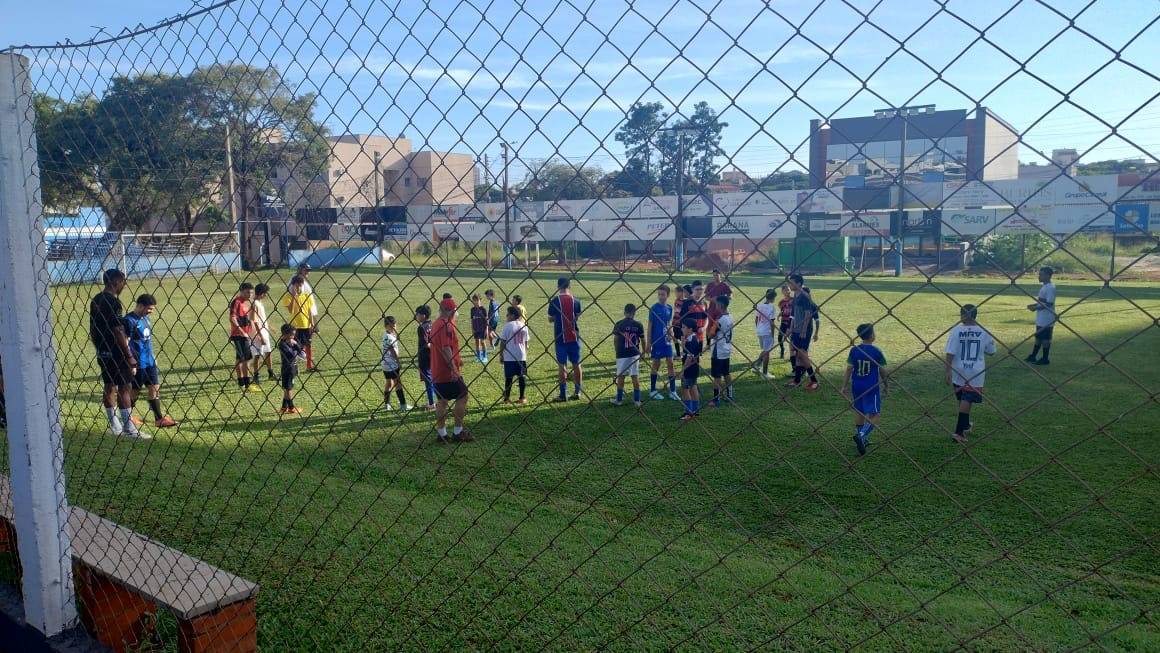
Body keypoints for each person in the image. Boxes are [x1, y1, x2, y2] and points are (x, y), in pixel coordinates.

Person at [90, 269, 147, 438]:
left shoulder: (96, 299)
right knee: (125, 387)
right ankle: (129, 428)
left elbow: (93, 328)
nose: (124, 285)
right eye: (123, 282)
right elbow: (117, 330)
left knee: (109, 385)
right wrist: (128, 354)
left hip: (102, 349)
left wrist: (99, 346)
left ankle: (115, 426)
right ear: (116, 282)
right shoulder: (113, 302)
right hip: (116, 350)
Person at [123, 294, 178, 429]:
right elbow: (125, 343)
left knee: (154, 387)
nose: (151, 312)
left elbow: (146, 340)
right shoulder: (129, 321)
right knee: (135, 391)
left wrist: (152, 356)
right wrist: (130, 362)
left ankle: (159, 419)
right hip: (138, 363)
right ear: (140, 305)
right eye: (149, 309)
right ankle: (127, 418)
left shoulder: (145, 318)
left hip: (149, 361)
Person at [945, 304, 997, 444]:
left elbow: (950, 352)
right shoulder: (984, 331)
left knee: (963, 397)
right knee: (967, 399)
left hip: (958, 369)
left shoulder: (956, 330)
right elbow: (992, 351)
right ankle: (959, 432)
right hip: (975, 371)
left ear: (962, 315)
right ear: (975, 316)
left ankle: (966, 425)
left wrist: (947, 370)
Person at [430, 297, 472, 443]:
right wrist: (454, 368)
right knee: (463, 396)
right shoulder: (446, 325)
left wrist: (458, 359)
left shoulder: (436, 323)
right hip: (447, 371)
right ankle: (458, 432)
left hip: (436, 370)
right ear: (452, 311)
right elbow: (446, 348)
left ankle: (441, 434)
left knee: (442, 401)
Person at [843, 323, 887, 456]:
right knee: (875, 415)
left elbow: (849, 368)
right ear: (872, 335)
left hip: (857, 385)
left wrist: (844, 385)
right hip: (871, 387)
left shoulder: (854, 350)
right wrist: (886, 384)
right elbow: (882, 370)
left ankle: (862, 439)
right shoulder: (877, 352)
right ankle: (862, 435)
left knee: (859, 411)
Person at [547, 277, 582, 402]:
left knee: (562, 366)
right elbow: (577, 316)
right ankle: (578, 392)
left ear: (558, 286)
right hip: (574, 336)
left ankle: (563, 394)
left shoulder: (554, 301)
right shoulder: (576, 301)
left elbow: (550, 318)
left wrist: (557, 318)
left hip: (560, 337)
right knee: (577, 364)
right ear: (569, 286)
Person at [646, 284, 680, 401]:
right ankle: (652, 390)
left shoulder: (669, 308)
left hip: (667, 341)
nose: (661, 297)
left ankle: (673, 391)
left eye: (663, 294)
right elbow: (650, 327)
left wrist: (672, 334)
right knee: (656, 364)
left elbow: (668, 324)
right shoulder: (654, 309)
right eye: (659, 294)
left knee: (670, 363)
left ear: (668, 295)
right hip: (657, 341)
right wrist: (648, 343)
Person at [786, 274, 820, 391]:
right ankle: (797, 380)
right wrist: (790, 329)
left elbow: (807, 314)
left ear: (799, 283)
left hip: (804, 330)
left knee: (802, 354)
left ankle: (814, 380)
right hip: (796, 330)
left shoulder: (804, 296)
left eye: (791, 283)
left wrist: (804, 330)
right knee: (797, 354)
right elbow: (793, 314)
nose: (789, 285)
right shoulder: (795, 295)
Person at [611, 303, 645, 407]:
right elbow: (643, 340)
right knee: (635, 376)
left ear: (624, 312)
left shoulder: (619, 324)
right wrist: (643, 352)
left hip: (622, 353)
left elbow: (616, 339)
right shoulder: (638, 325)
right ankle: (637, 400)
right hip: (634, 353)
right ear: (634, 313)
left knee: (621, 377)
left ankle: (619, 399)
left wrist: (617, 350)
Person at [282, 275, 315, 383]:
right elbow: (290, 310)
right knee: (295, 348)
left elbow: (310, 311)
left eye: (301, 285)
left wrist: (312, 324)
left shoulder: (307, 296)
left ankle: (309, 366)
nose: (299, 287)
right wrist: (294, 297)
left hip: (306, 325)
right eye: (297, 285)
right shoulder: (288, 296)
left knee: (308, 345)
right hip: (295, 326)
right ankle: (295, 367)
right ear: (293, 285)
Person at [289, 263, 320, 371]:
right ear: (300, 270)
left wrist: (312, 320)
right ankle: (300, 353)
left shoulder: (304, 281)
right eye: (306, 270)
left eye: (309, 270)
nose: (308, 272)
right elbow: (292, 294)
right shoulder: (295, 280)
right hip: (300, 317)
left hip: (309, 312)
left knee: (310, 337)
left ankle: (306, 358)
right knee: (297, 341)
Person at [497, 305, 530, 404]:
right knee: (522, 377)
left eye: (508, 314)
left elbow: (503, 342)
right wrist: (524, 353)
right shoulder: (524, 325)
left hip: (509, 356)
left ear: (512, 315)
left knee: (509, 378)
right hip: (521, 356)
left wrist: (501, 354)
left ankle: (506, 398)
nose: (506, 316)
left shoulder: (508, 326)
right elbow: (526, 343)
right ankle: (522, 397)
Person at [229, 282, 257, 393]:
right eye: (247, 292)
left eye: (251, 293)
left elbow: (245, 318)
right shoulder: (236, 302)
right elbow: (232, 318)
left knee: (240, 359)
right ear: (241, 291)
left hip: (243, 335)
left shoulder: (245, 302)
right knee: (246, 359)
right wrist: (242, 332)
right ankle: (246, 384)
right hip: (239, 335)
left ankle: (241, 383)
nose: (249, 295)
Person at [1025, 266, 1056, 366]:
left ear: (1048, 276)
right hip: (1041, 317)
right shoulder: (1044, 286)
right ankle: (1033, 356)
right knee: (1038, 337)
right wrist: (1034, 305)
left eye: (1041, 275)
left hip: (1047, 318)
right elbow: (1042, 301)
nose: (1039, 276)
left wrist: (1035, 308)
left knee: (1045, 339)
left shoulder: (1050, 288)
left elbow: (1049, 304)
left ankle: (1045, 359)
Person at [708, 296, 734, 406]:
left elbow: (711, 334)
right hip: (726, 349)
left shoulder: (719, 320)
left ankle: (716, 399)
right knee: (726, 372)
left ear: (720, 306)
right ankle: (730, 395)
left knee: (716, 375)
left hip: (718, 350)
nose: (716, 307)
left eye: (717, 305)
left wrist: (712, 330)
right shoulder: (730, 317)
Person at [381, 315, 410, 411]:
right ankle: (403, 405)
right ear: (386, 326)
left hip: (385, 364)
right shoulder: (390, 337)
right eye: (391, 326)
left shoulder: (386, 334)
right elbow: (393, 352)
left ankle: (387, 404)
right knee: (398, 383)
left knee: (388, 383)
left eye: (394, 325)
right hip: (392, 364)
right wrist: (398, 362)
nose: (393, 328)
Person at [277, 324, 305, 415]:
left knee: (287, 388)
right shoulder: (282, 344)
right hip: (288, 369)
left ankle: (283, 407)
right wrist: (293, 345)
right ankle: (291, 408)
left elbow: (302, 353)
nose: (293, 336)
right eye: (292, 335)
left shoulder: (292, 341)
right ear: (285, 334)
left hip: (292, 367)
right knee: (289, 389)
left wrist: (295, 344)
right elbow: (291, 355)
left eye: (294, 334)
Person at [679, 318, 703, 422]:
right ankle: (695, 410)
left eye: (684, 327)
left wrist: (682, 370)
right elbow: (687, 352)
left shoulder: (691, 341)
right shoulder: (692, 338)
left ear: (690, 329)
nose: (681, 329)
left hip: (689, 369)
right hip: (694, 369)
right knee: (693, 387)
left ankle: (688, 412)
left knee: (685, 389)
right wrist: (683, 344)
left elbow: (689, 358)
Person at [251, 283, 275, 382]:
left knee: (268, 352)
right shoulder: (254, 304)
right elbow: (254, 321)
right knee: (257, 355)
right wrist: (259, 335)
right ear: (261, 293)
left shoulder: (260, 303)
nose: (266, 295)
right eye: (265, 293)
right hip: (258, 333)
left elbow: (262, 318)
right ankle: (256, 376)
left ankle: (270, 373)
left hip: (264, 331)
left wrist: (269, 327)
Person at [415, 305, 437, 411]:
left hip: (425, 357)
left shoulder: (421, 328)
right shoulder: (432, 324)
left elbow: (425, 344)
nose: (416, 316)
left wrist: (433, 347)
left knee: (428, 380)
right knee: (433, 378)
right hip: (434, 356)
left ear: (423, 315)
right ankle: (435, 401)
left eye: (417, 314)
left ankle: (432, 404)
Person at [752, 288, 777, 379]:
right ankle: (765, 373)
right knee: (767, 352)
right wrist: (772, 335)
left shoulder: (759, 305)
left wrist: (758, 328)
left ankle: (756, 366)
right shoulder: (772, 307)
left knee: (765, 350)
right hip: (767, 332)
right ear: (773, 298)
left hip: (760, 330)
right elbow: (772, 322)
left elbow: (756, 319)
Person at [469, 294, 489, 363]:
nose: (475, 302)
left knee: (483, 342)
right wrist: (472, 329)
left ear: (480, 300)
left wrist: (486, 329)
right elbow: (472, 320)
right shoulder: (472, 310)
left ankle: (485, 356)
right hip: (476, 328)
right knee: (477, 342)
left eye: (477, 300)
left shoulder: (483, 309)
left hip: (482, 328)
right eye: (474, 300)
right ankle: (478, 356)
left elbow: (486, 320)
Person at [777, 283, 793, 360]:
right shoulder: (781, 302)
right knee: (780, 337)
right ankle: (782, 350)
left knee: (791, 339)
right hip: (783, 321)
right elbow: (783, 310)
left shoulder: (793, 300)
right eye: (785, 290)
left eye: (788, 290)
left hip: (791, 322)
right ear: (782, 291)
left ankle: (792, 354)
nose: (787, 291)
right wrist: (779, 314)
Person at [671, 284, 688, 359]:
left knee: (683, 339)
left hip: (682, 324)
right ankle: (678, 354)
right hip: (675, 323)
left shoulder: (686, 302)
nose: (675, 294)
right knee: (675, 338)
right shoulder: (676, 300)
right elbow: (676, 311)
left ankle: (684, 353)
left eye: (676, 292)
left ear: (681, 292)